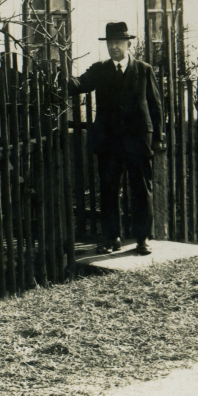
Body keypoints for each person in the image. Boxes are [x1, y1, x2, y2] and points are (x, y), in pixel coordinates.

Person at [69, 21, 163, 254]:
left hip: (138, 141)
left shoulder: (143, 69)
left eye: (118, 42)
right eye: (110, 43)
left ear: (128, 44)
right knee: (109, 190)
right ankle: (112, 239)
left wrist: (158, 137)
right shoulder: (100, 70)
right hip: (109, 142)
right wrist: (61, 78)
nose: (114, 47)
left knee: (141, 189)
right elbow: (80, 84)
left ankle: (142, 239)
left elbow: (155, 105)